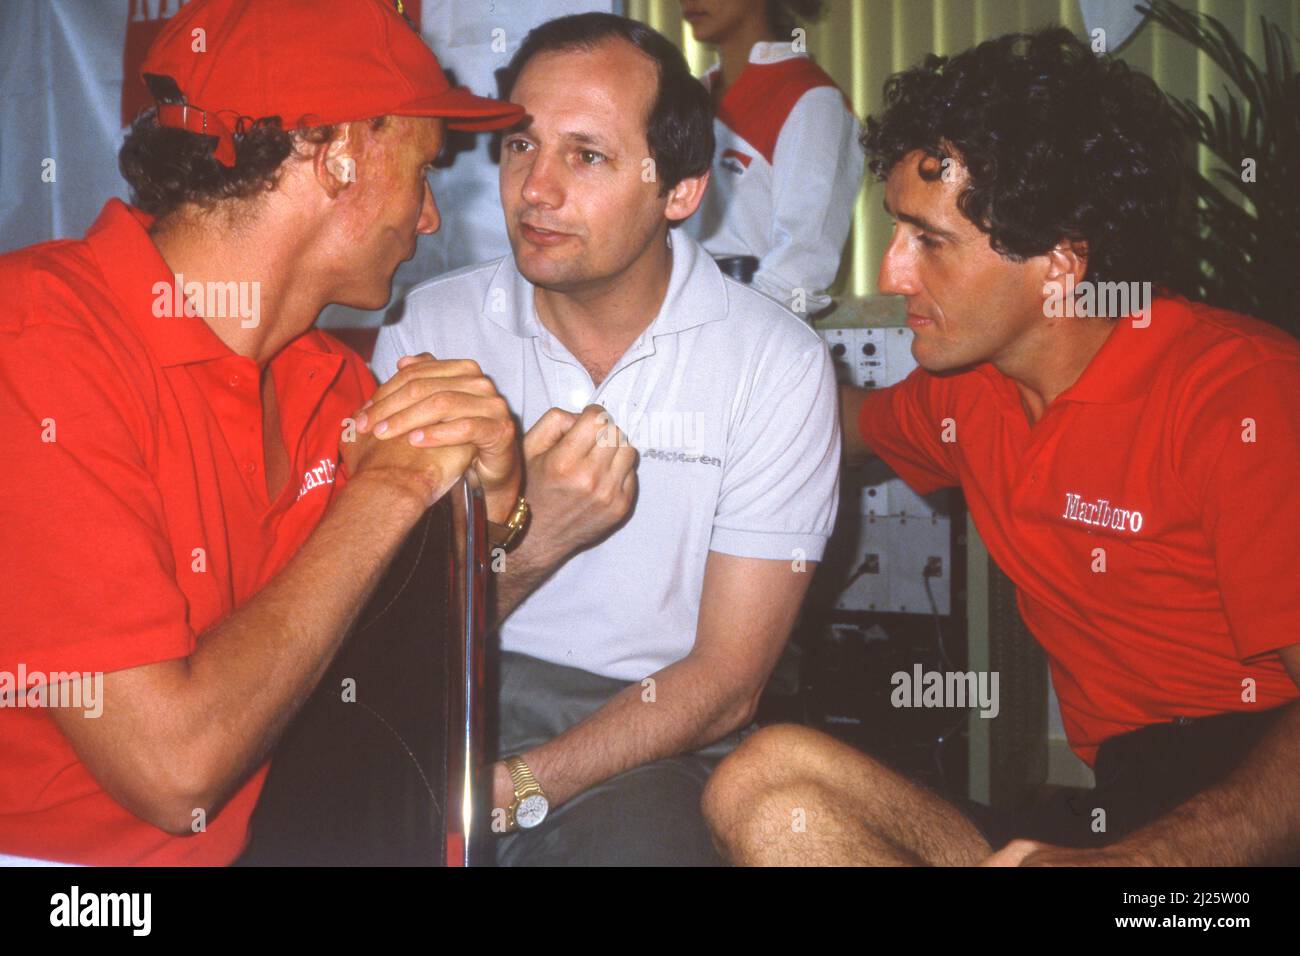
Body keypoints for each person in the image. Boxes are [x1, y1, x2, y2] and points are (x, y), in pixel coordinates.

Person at [701, 27, 1300, 866]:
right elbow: (832, 420)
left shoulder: (1244, 396)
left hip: (1244, 831)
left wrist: (1138, 864)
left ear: (1059, 265)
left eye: (930, 242)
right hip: (1118, 807)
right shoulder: (968, 392)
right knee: (763, 780)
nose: (892, 275)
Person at [0, 0, 528, 865]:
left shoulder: (329, 380)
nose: (428, 217)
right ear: (338, 155)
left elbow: (396, 649)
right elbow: (175, 773)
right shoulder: (31, 342)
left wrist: (494, 506)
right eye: (423, 170)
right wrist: (389, 491)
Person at [372, 12, 841, 866]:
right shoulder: (428, 328)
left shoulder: (777, 362)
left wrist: (518, 788)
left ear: (681, 191)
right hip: (449, 690)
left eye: (586, 156)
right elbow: (386, 631)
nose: (535, 190)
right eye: (520, 145)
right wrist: (533, 539)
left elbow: (728, 684)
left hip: (652, 727)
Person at [679, 0, 863, 317]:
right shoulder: (689, 98)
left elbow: (801, 266)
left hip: (747, 333)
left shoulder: (812, 99)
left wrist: (734, 335)